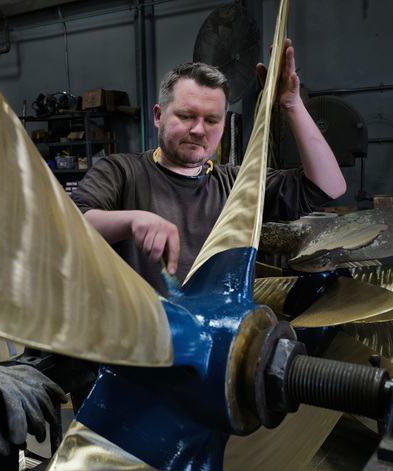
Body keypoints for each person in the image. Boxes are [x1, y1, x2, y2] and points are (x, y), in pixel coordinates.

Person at [72, 39, 346, 296]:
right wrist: (131, 221)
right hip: (146, 335)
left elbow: (329, 186)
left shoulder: (237, 185)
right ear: (158, 116)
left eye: (212, 120)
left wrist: (292, 104)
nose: (199, 130)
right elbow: (73, 224)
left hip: (221, 337)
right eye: (186, 116)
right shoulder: (121, 172)